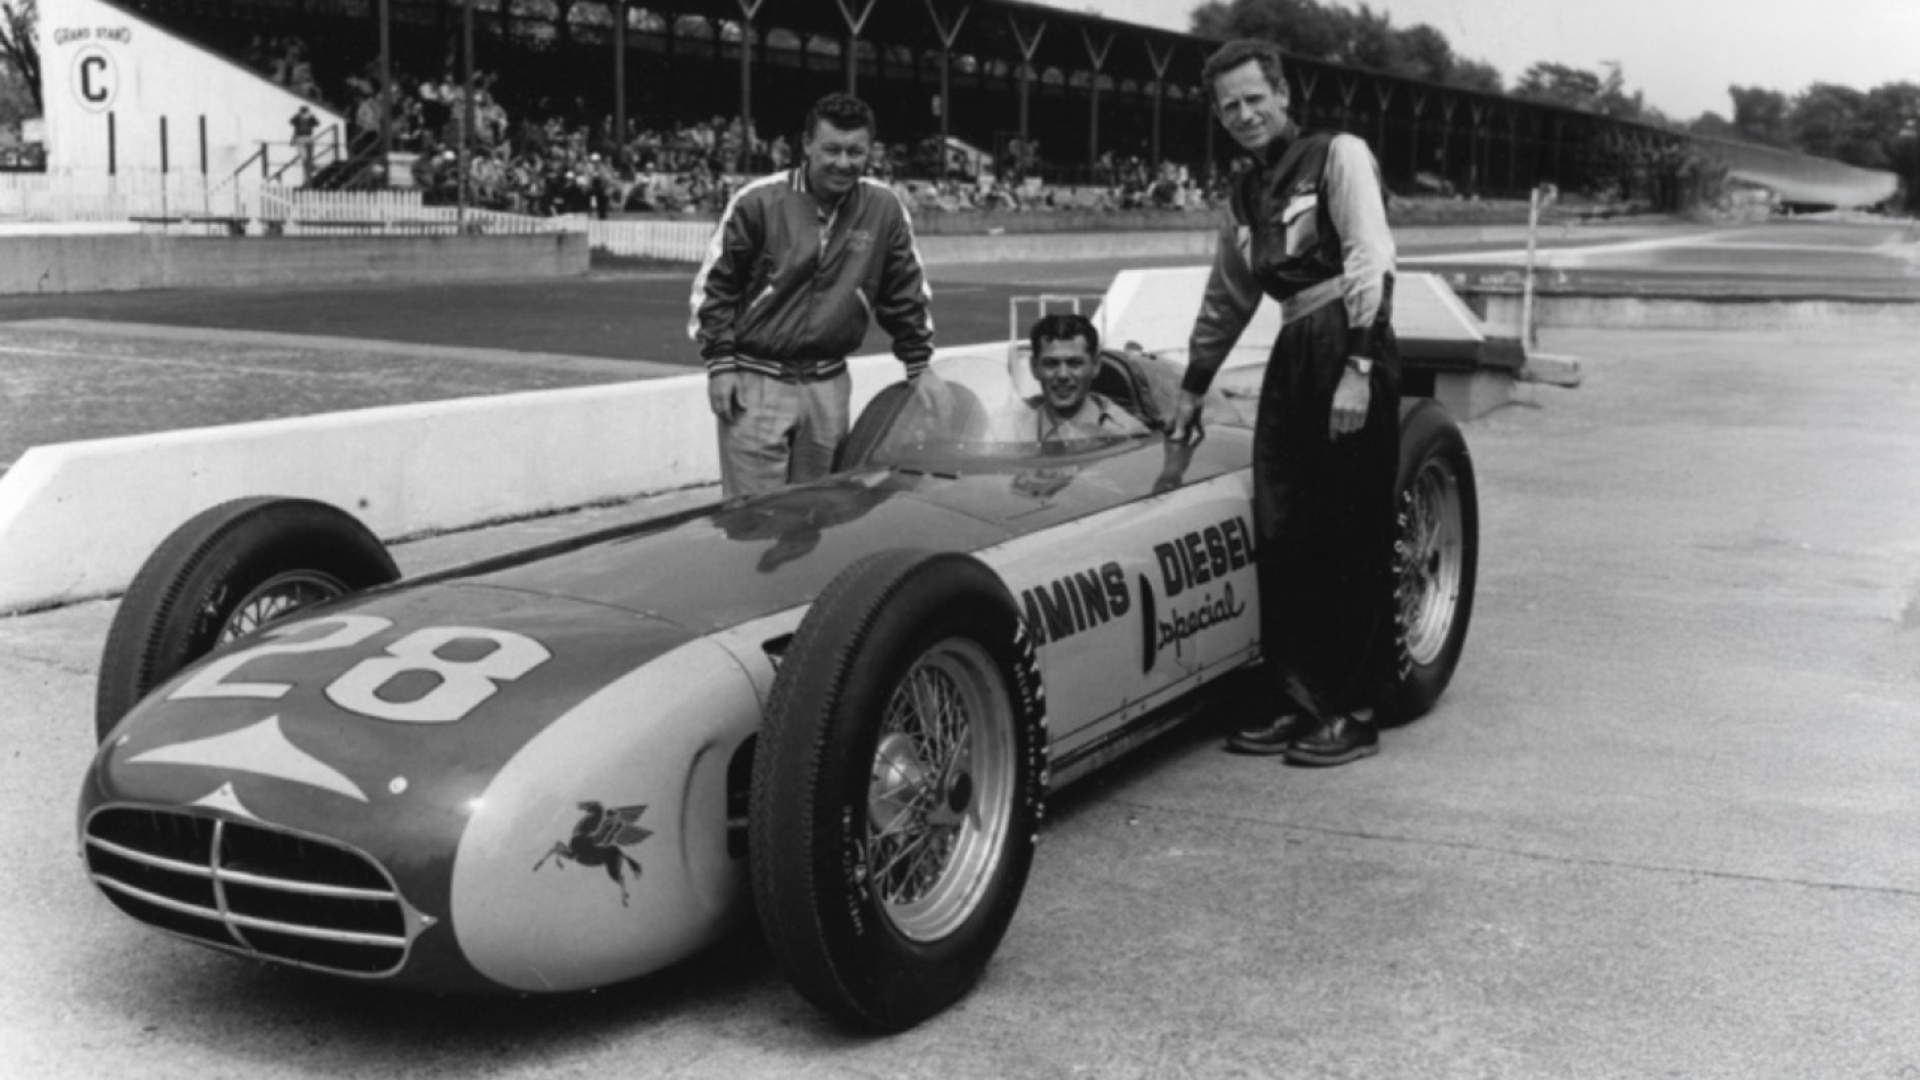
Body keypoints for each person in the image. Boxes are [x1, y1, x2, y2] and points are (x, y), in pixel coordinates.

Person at [1169, 38, 1401, 767]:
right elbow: (1228, 296)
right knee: (1284, 526)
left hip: (1349, 341)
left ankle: (1353, 709)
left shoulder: (1338, 154)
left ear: (1282, 95)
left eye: (1254, 99)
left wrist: (1360, 364)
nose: (1243, 114)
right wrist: (1193, 383)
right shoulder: (1243, 193)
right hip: (1295, 346)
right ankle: (1299, 699)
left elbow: (1371, 255)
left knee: (1349, 527)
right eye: (1229, 106)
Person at [689, 93, 948, 498]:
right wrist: (720, 365)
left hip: (829, 383)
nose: (843, 163)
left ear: (869, 152)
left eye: (855, 152)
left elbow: (905, 291)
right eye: (831, 150)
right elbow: (716, 287)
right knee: (752, 518)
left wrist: (918, 365)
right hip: (758, 381)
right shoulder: (759, 201)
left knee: (820, 515)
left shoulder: (883, 208)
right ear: (806, 144)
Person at [990, 312, 1148, 445]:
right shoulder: (1003, 428)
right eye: (1051, 364)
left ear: (1095, 366)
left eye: (1074, 363)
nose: (1063, 375)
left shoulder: (1126, 434)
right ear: (1034, 368)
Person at [289, 105, 320, 185]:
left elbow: (292, 123)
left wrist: (292, 139)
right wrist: (312, 116)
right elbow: (317, 123)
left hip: (301, 138)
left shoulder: (298, 118)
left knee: (303, 155)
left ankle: (310, 166)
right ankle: (311, 166)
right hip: (308, 138)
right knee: (307, 155)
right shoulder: (310, 117)